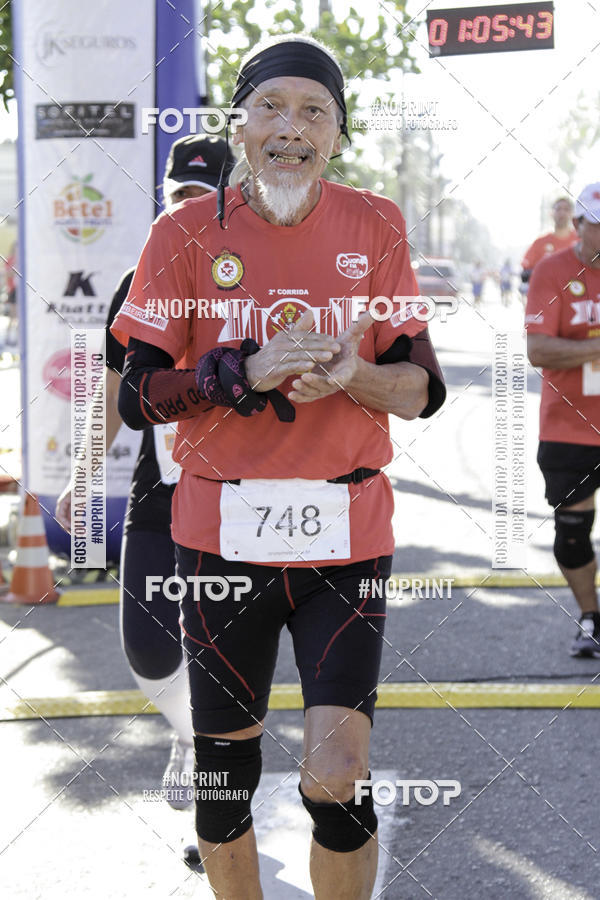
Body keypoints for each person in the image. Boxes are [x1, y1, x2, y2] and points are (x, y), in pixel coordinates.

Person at [112, 34, 446, 899]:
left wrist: (358, 373)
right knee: (225, 784)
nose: (291, 127)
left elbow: (421, 388)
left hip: (346, 538)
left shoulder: (375, 225)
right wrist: (238, 372)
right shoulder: (183, 234)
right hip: (219, 540)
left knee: (336, 778)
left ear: (337, 133)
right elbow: (136, 397)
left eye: (314, 111)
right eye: (271, 106)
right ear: (239, 124)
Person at [55, 135, 236, 823]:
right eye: (178, 195)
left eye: (202, 195)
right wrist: (81, 477)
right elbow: (109, 395)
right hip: (160, 491)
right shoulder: (140, 282)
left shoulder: (258, 273)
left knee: (221, 646)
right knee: (147, 646)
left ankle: (215, 800)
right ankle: (188, 735)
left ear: (228, 198)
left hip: (241, 496)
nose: (188, 207)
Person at [526, 182, 600, 657]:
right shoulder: (552, 270)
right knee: (572, 532)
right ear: (578, 226)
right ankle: (591, 617)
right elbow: (538, 349)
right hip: (570, 424)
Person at [521, 196, 578, 287]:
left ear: (572, 213)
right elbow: (525, 273)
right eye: (558, 209)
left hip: (578, 295)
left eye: (566, 209)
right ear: (551, 213)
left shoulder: (581, 240)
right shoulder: (540, 243)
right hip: (548, 296)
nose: (562, 213)